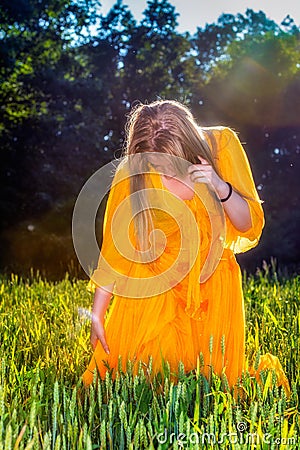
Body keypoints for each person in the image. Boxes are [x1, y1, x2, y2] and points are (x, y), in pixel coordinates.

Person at [82, 99, 290, 394]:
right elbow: (116, 251)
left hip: (214, 287)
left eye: (172, 162)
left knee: (214, 387)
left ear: (191, 144)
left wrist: (220, 187)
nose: (165, 171)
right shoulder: (133, 171)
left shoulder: (222, 146)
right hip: (155, 288)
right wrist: (98, 314)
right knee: (142, 385)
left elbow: (247, 225)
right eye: (156, 164)